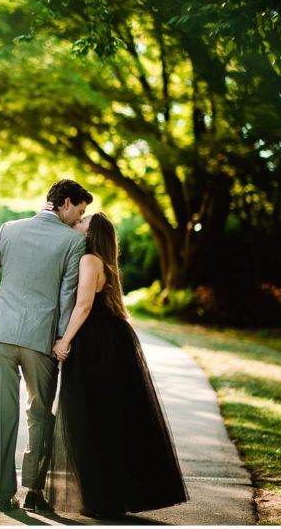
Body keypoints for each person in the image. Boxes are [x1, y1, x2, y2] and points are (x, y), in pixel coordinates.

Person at [47, 210, 189, 518]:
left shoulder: (89, 260)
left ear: (91, 233)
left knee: (88, 418)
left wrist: (64, 340)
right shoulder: (105, 261)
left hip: (93, 342)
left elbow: (84, 305)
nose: (76, 222)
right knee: (109, 417)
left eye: (82, 221)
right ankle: (110, 495)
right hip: (112, 338)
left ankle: (101, 498)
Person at [0, 179, 92, 514]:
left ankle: (2, 494)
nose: (79, 218)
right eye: (79, 211)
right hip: (40, 342)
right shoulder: (73, 242)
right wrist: (62, 338)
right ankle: (33, 490)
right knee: (39, 415)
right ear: (65, 203)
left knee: (1, 417)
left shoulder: (10, 229)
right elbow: (67, 295)